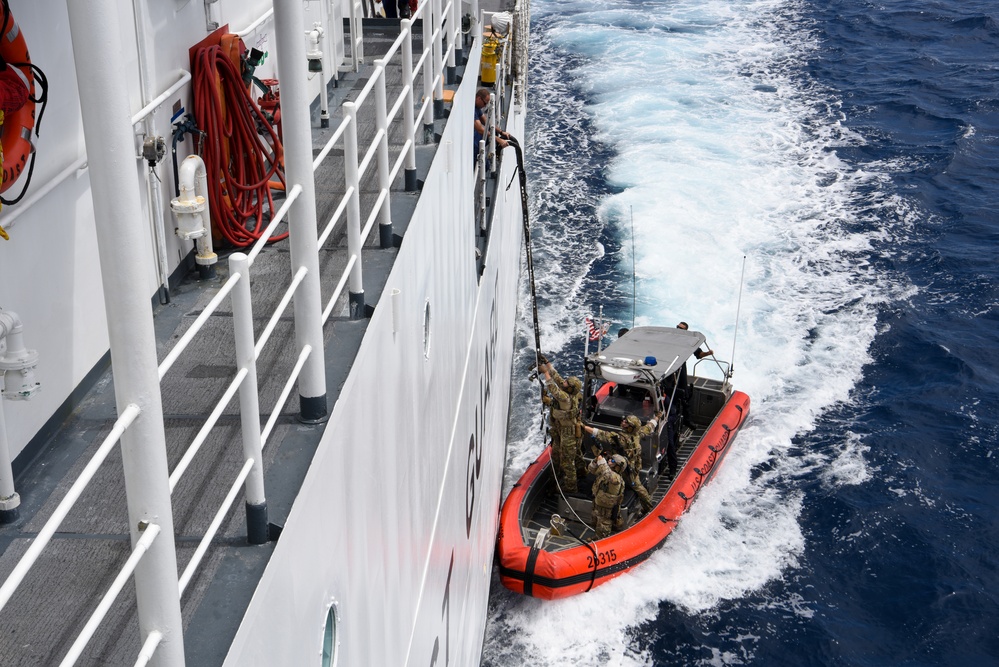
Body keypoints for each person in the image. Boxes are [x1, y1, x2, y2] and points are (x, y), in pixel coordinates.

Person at [583, 413, 658, 515]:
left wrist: (583, 427)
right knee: (638, 487)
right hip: (633, 466)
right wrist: (657, 418)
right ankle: (648, 507)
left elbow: (601, 434)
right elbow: (649, 426)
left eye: (626, 423)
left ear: (631, 428)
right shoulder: (638, 433)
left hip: (620, 467)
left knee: (628, 485)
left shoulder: (620, 439)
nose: (623, 422)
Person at [541, 360, 585, 493]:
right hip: (562, 430)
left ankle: (571, 487)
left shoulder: (565, 398)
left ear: (570, 388)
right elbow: (558, 378)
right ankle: (582, 472)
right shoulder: (573, 392)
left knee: (567, 461)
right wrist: (547, 363)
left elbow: (552, 388)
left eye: (566, 383)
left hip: (568, 433)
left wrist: (544, 372)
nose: (564, 383)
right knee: (570, 455)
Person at [587, 452, 625, 539]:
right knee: (595, 522)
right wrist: (596, 461)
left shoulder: (616, 478)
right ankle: (597, 537)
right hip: (598, 503)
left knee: (603, 527)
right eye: (610, 459)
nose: (609, 461)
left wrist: (602, 461)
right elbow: (591, 469)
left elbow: (607, 474)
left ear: (617, 467)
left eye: (612, 461)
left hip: (606, 510)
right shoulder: (606, 471)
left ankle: (601, 540)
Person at [474, 88, 509, 163]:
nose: (485, 106)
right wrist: (499, 140)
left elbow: (486, 122)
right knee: (485, 166)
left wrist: (501, 132)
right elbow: (480, 130)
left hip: (475, 135)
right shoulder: (472, 110)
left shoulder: (477, 107)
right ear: (479, 98)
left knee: (494, 132)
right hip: (471, 140)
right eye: (485, 103)